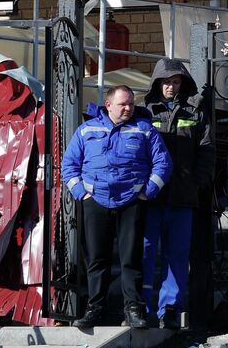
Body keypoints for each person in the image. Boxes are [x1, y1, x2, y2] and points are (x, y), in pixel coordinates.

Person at [61, 85, 172, 329]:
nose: (128, 108)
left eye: (131, 103)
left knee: (131, 259)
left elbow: (163, 164)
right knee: (97, 259)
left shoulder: (144, 130)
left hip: (132, 202)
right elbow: (68, 166)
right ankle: (94, 310)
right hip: (95, 201)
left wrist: (147, 192)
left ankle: (133, 310)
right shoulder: (86, 130)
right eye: (123, 104)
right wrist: (81, 194)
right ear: (108, 104)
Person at [142, 58, 213, 330]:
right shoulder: (145, 112)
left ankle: (170, 309)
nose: (171, 87)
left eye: (176, 81)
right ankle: (144, 308)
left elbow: (206, 150)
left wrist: (197, 182)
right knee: (146, 254)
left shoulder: (195, 112)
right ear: (157, 83)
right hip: (150, 197)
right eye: (166, 82)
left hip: (183, 196)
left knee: (177, 255)